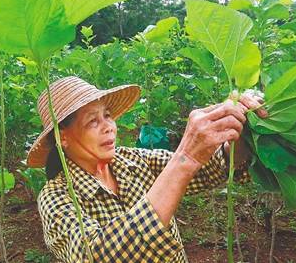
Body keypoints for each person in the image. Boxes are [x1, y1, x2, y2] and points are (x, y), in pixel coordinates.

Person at [26, 76, 268, 263]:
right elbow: (97, 255)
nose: (109, 127)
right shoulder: (56, 197)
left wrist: (236, 135)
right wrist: (185, 156)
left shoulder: (130, 161)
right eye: (92, 121)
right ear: (63, 138)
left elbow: (209, 169)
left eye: (108, 116)